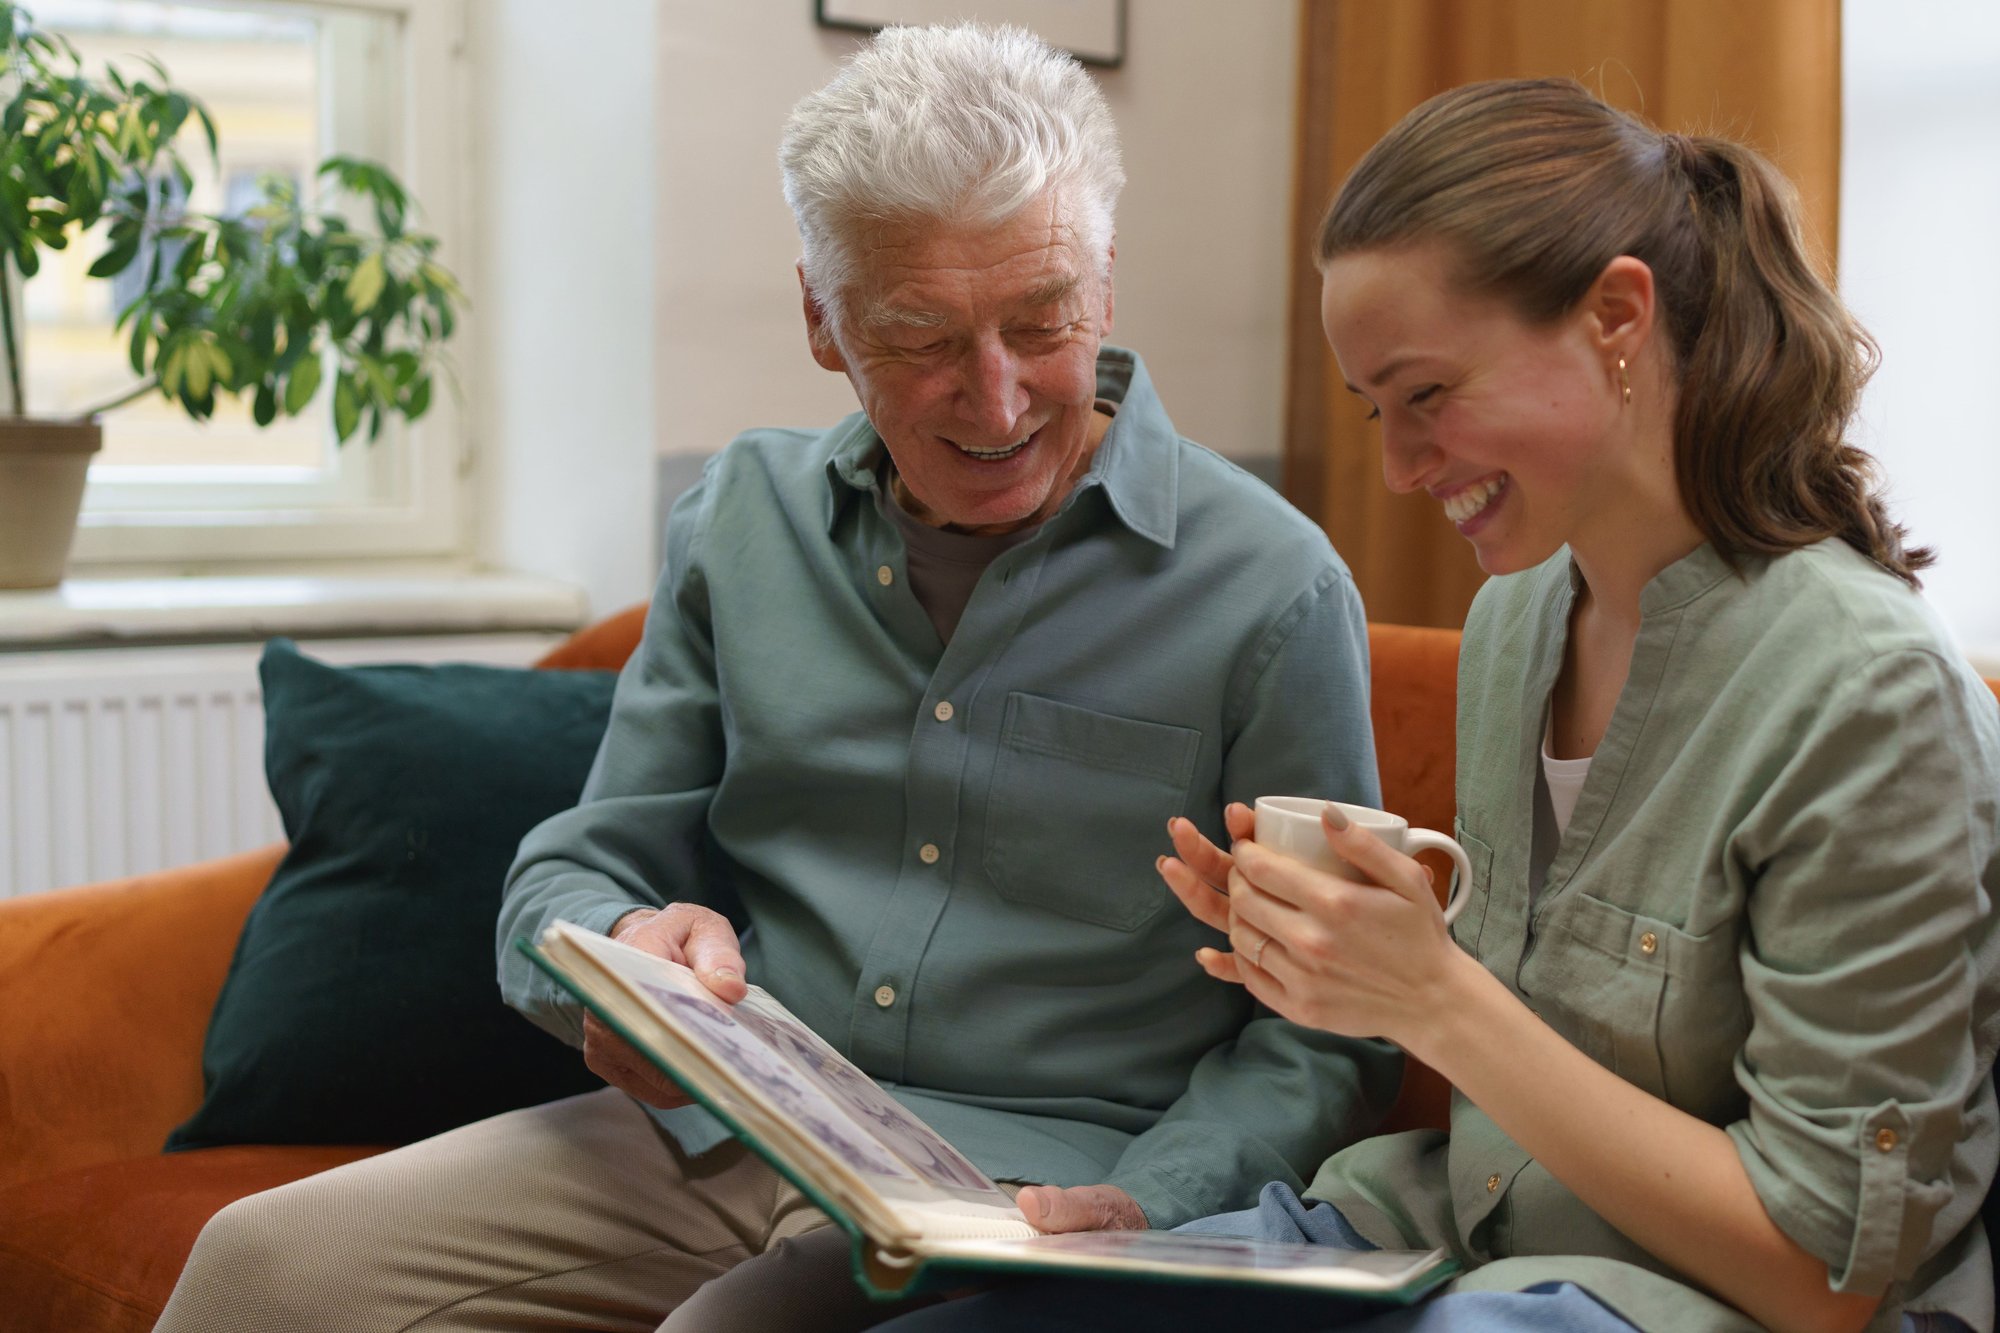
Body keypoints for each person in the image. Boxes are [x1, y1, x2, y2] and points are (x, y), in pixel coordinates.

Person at [153, 23, 1396, 1333]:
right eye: (921, 336)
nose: (998, 398)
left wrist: (1161, 1196)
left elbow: (1331, 1030)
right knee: (261, 1268)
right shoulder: (740, 520)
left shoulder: (1273, 589)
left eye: (1041, 322)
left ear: (1104, 284)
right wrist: (625, 956)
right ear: (822, 318)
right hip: (723, 1128)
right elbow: (573, 870)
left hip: (1038, 1185)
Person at [869, 77, 2000, 1333]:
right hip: (1450, 1231)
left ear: (1616, 316)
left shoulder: (1867, 695)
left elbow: (1820, 1275)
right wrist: (1334, 960)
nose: (1400, 469)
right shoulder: (1518, 621)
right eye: (1373, 410)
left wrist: (1429, 998)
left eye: (1427, 396)